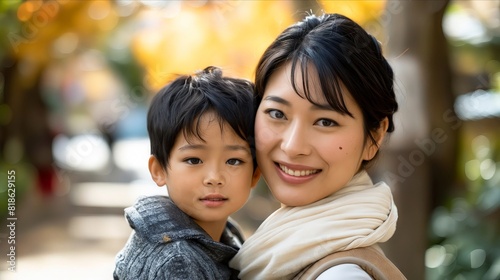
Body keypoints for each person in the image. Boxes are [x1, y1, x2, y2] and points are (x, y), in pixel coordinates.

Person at [229, 13, 406, 279]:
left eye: (325, 121)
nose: (292, 146)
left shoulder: (341, 274)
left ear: (375, 136)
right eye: (277, 114)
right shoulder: (274, 249)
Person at [114, 66, 261, 280]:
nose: (214, 178)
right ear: (159, 170)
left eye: (233, 161)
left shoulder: (225, 236)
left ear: (255, 174)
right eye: (194, 160)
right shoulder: (177, 262)